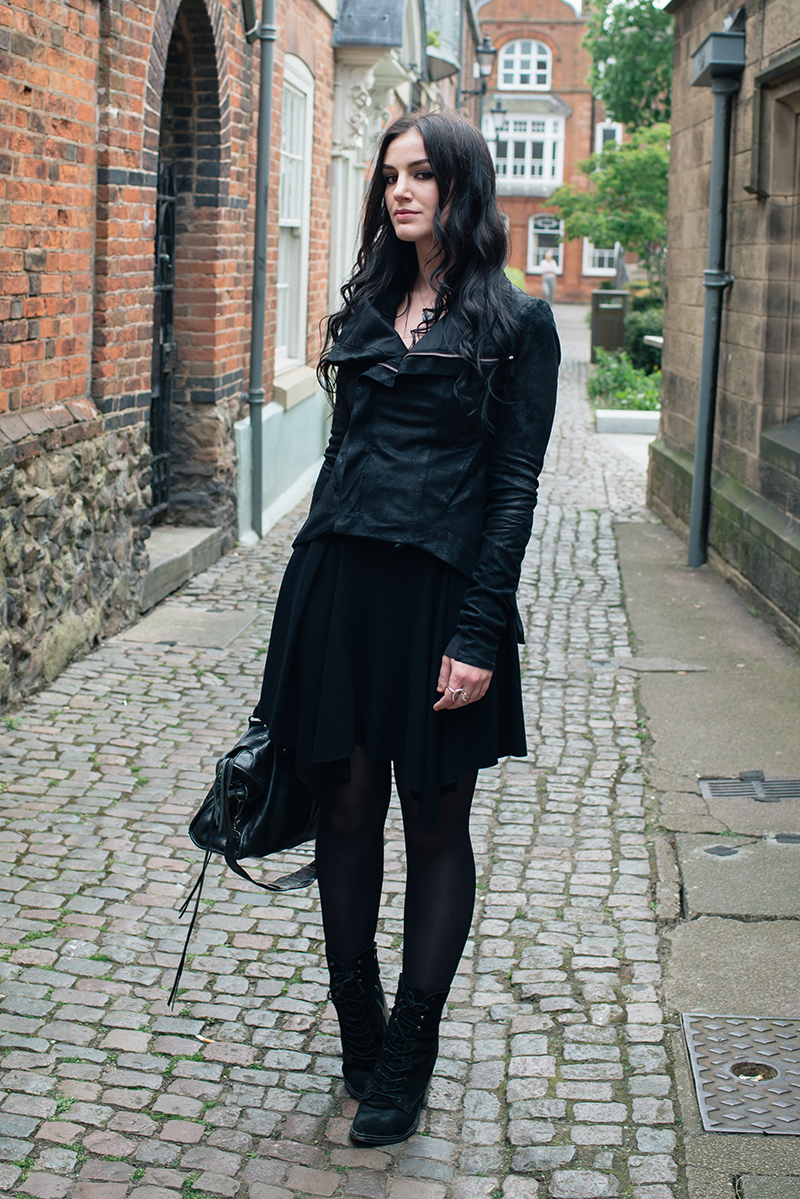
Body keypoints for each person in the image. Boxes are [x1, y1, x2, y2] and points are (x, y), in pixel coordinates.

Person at [254, 110, 559, 1147]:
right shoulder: (371, 302)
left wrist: (477, 634)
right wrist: (295, 619)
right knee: (343, 811)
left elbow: (512, 490)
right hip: (341, 588)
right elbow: (339, 466)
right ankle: (359, 1030)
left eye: (421, 174)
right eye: (389, 175)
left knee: (431, 823)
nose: (399, 190)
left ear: (461, 185)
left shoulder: (518, 324)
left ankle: (410, 1054)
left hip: (440, 601)